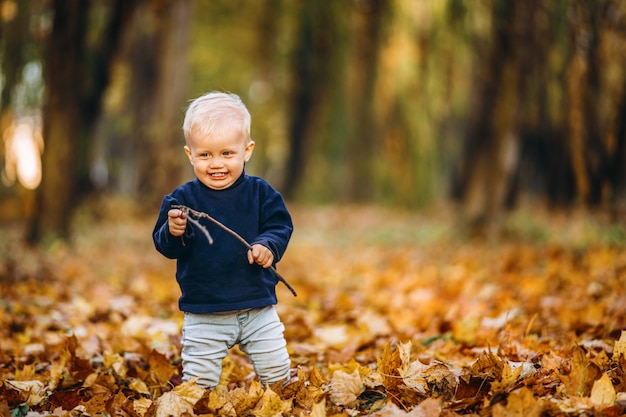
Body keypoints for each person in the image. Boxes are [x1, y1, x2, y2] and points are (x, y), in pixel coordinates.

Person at [152, 91, 293, 389]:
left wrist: (268, 245)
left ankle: (278, 404)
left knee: (278, 372)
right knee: (199, 385)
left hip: (257, 307)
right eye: (205, 155)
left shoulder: (260, 193)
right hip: (204, 311)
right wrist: (173, 231)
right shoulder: (181, 201)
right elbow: (165, 245)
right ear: (191, 155)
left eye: (227, 153)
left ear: (247, 151)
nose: (216, 164)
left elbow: (280, 225)